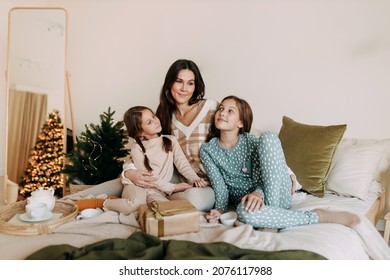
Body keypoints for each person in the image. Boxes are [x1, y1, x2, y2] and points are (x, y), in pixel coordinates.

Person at [200, 95, 360, 229]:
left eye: (230, 111)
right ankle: (314, 216)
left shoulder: (251, 142)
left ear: (240, 123)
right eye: (221, 108)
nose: (222, 113)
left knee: (268, 137)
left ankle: (272, 218)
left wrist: (259, 193)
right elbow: (219, 186)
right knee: (243, 213)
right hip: (249, 203)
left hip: (275, 193)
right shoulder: (207, 150)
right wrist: (219, 210)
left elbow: (267, 176)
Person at [123, 59, 218, 211]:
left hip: (204, 183)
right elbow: (143, 148)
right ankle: (81, 199)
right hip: (175, 177)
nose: (184, 89)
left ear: (196, 86)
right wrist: (129, 173)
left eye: (190, 83)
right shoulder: (163, 115)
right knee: (128, 181)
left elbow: (231, 141)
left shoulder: (211, 108)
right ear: (170, 84)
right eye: (179, 81)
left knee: (194, 199)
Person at [103, 106, 207, 214]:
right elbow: (150, 178)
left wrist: (195, 179)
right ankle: (103, 202)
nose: (156, 121)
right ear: (140, 132)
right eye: (149, 122)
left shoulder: (170, 140)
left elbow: (182, 164)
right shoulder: (137, 149)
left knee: (171, 211)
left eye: (154, 116)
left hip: (159, 191)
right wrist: (174, 187)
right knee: (136, 206)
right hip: (142, 188)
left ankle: (117, 200)